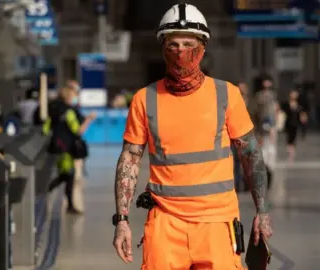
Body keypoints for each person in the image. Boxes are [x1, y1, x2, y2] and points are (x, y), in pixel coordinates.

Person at [111, 3, 273, 269]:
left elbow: (250, 153)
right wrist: (122, 221)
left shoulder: (226, 95)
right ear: (163, 47)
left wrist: (262, 212)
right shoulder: (145, 100)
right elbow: (129, 160)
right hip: (165, 223)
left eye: (188, 43)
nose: (181, 52)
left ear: (203, 46)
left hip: (218, 224)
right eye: (173, 44)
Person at [42, 83, 96, 214]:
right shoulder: (69, 112)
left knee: (67, 175)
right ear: (68, 97)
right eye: (73, 96)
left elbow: (45, 129)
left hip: (56, 146)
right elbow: (78, 131)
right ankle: (45, 191)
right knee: (67, 174)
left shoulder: (53, 110)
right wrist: (89, 119)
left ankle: (69, 204)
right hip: (66, 148)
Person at [281, 89, 308, 161]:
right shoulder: (286, 103)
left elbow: (302, 113)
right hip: (288, 123)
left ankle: (292, 151)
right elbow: (282, 112)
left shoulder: (299, 104)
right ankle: (290, 150)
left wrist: (303, 119)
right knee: (289, 137)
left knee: (294, 137)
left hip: (296, 123)